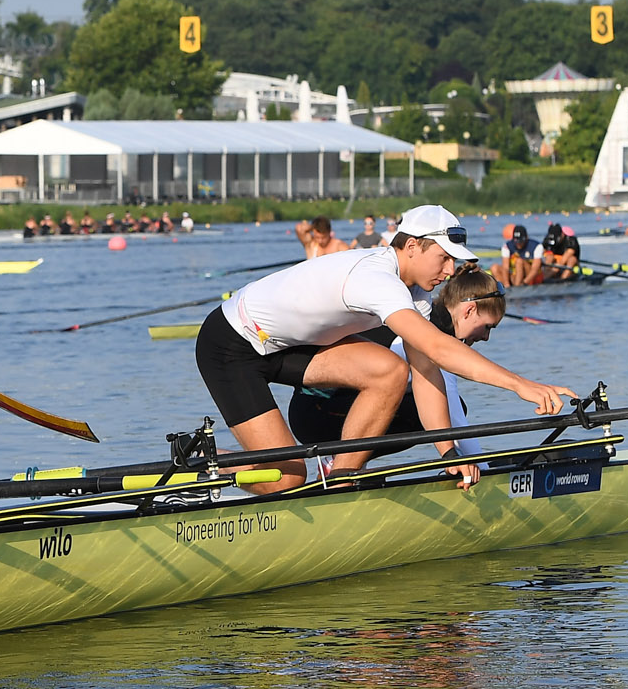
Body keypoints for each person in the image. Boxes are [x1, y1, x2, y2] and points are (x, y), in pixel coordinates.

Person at [193, 204, 577, 495]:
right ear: (411, 246)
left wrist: (448, 453)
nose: (448, 271)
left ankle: (341, 483)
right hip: (232, 344)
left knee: (393, 371)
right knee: (286, 477)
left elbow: (428, 373)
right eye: (443, 258)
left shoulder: (418, 298)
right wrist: (520, 384)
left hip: (287, 347)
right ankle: (204, 466)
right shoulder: (376, 278)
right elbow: (438, 347)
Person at [284, 268, 510, 484]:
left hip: (322, 409)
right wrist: (481, 471)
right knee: (437, 408)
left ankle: (346, 463)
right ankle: (339, 464)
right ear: (469, 311)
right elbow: (454, 418)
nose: (486, 337)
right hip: (317, 413)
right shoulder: (432, 333)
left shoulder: (423, 316)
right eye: (487, 327)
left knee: (434, 407)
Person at [499, 222, 536, 287]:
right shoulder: (507, 246)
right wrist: (506, 283)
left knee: (519, 261)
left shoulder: (535, 246)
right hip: (515, 274)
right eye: (516, 241)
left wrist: (525, 282)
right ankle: (503, 288)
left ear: (526, 237)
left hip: (530, 276)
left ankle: (517, 286)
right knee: (494, 267)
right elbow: (505, 268)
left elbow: (534, 270)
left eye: (521, 240)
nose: (518, 243)